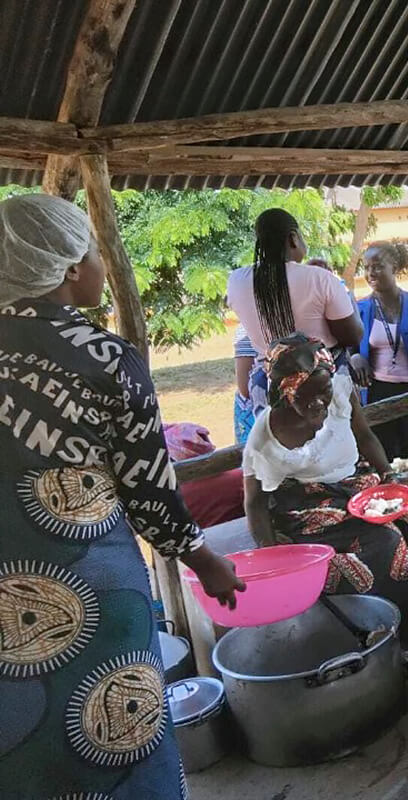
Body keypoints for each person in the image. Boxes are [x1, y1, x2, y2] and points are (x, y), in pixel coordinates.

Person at [0, 194, 243, 798]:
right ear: (69, 269)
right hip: (90, 584)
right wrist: (206, 562)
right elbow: (148, 491)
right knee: (114, 728)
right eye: (94, 248)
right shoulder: (106, 359)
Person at [241, 335, 408, 660]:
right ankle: (398, 642)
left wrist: (389, 477)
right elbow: (255, 503)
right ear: (286, 392)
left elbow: (366, 436)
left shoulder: (343, 393)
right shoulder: (265, 438)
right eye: (307, 396)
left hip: (356, 483)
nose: (320, 402)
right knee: (385, 544)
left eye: (324, 391)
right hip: (307, 503)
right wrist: (270, 551)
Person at [226, 208, 364, 425]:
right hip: (323, 384)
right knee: (335, 449)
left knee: (286, 453)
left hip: (272, 386)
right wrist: (350, 300)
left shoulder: (237, 281)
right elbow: (352, 336)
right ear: (292, 238)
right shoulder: (320, 278)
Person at [350, 241, 408, 459]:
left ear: (395, 267)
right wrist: (354, 357)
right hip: (378, 393)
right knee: (388, 458)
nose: (370, 272)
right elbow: (347, 349)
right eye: (366, 267)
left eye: (378, 266)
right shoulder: (360, 310)